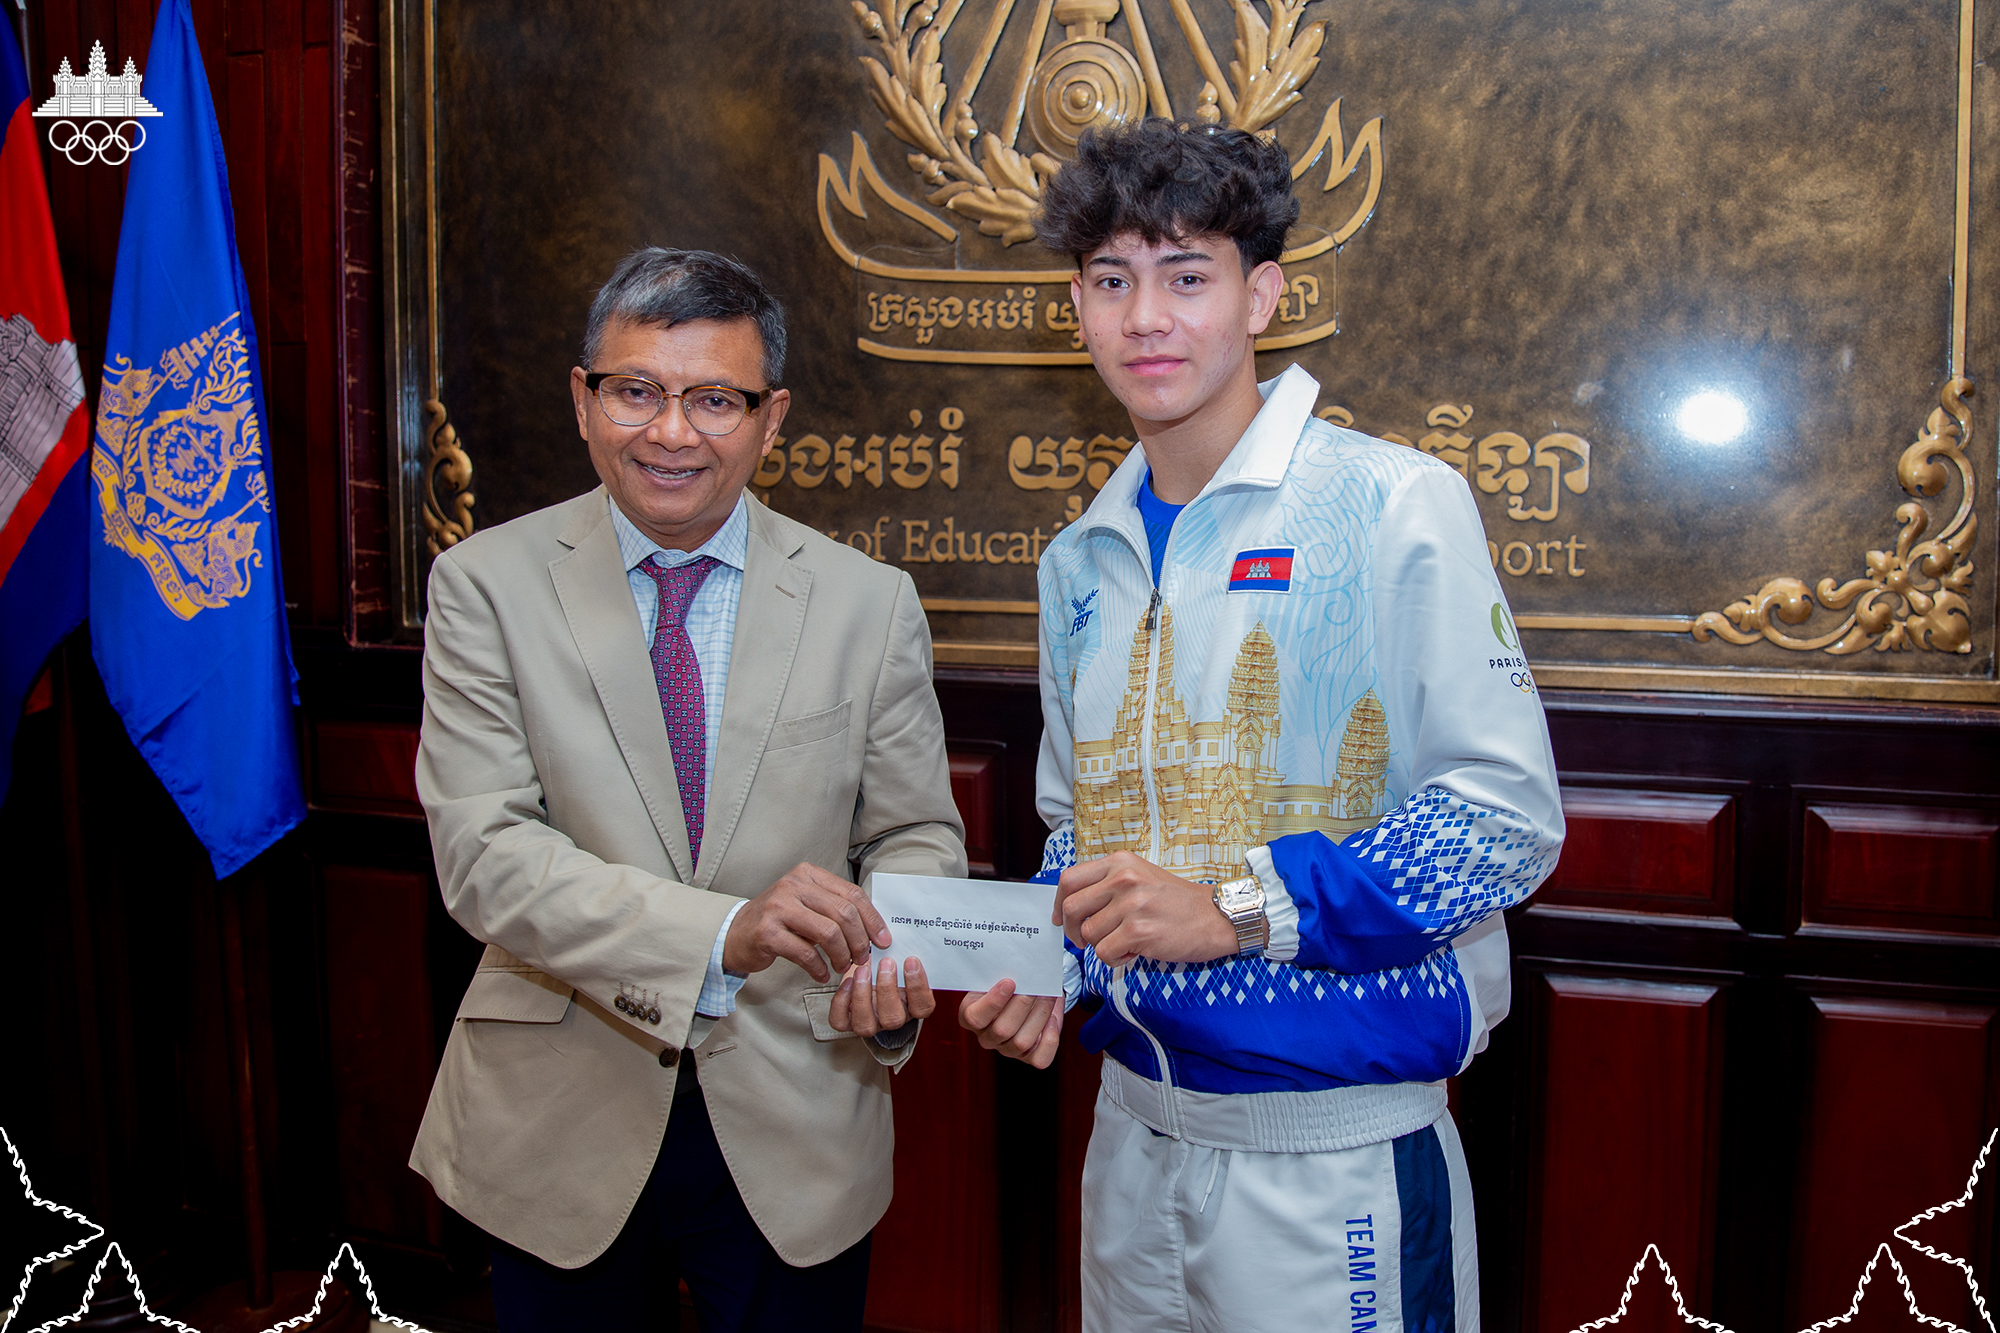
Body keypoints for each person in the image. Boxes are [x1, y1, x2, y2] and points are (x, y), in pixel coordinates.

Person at [959, 119, 1564, 1331]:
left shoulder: (1390, 501)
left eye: (1186, 277)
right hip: (1131, 1136)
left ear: (1260, 296)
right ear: (1074, 308)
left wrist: (1237, 908)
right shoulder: (1080, 558)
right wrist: (1045, 963)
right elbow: (1082, 835)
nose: (1145, 319)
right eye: (1110, 282)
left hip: (1331, 1156)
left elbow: (1501, 825)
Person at [410, 247, 965, 1332]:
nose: (671, 432)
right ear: (583, 400)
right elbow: (485, 858)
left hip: (798, 1117)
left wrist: (890, 951)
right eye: (636, 391)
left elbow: (913, 836)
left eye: (714, 399)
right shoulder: (483, 588)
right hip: (557, 1117)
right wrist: (723, 933)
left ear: (771, 418)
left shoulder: (868, 603)